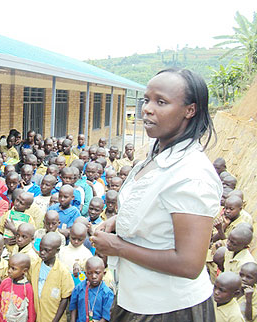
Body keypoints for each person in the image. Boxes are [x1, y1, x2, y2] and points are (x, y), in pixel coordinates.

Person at [91, 69, 222, 320]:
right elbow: (156, 207)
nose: (147, 109)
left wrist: (118, 247)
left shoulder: (192, 174)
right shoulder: (159, 153)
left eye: (161, 102)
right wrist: (119, 221)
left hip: (169, 309)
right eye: (146, 100)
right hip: (136, 298)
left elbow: (189, 264)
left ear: (189, 110)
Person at [29, 232, 74, 322]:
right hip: (37, 317)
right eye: (41, 248)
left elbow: (65, 299)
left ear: (57, 251)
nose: (42, 252)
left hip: (53, 317)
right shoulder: (34, 266)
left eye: (47, 250)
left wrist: (56, 320)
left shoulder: (63, 272)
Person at [69, 256, 114, 322]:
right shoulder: (79, 288)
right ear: (86, 274)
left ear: (104, 273)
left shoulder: (107, 293)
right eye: (90, 273)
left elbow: (106, 317)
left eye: (97, 273)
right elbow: (73, 308)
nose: (93, 276)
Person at [0, 253, 36, 322]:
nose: (9, 271)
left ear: (24, 271)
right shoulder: (5, 282)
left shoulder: (27, 288)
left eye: (13, 269)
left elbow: (31, 311)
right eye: (9, 267)